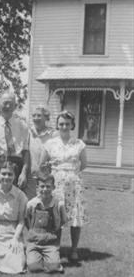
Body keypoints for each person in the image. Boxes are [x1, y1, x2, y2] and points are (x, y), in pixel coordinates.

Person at [40, 110, 87, 262]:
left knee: (75, 217)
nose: (64, 126)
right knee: (56, 217)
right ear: (57, 125)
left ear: (72, 125)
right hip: (56, 184)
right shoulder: (50, 143)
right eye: (61, 124)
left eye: (67, 124)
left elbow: (84, 164)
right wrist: (52, 171)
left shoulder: (79, 144)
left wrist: (71, 173)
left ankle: (74, 250)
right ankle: (55, 248)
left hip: (74, 184)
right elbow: (42, 165)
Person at [0, 92, 29, 189]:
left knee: (16, 199)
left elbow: (25, 151)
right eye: (5, 103)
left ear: (15, 106)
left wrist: (24, 173)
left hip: (16, 164)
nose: (7, 106)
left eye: (11, 103)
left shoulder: (22, 125)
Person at [25, 175, 67, 273]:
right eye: (42, 186)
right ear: (37, 188)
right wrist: (32, 232)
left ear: (53, 187)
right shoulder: (31, 204)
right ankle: (37, 257)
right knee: (33, 267)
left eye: (48, 186)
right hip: (34, 241)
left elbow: (63, 220)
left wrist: (55, 232)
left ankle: (51, 258)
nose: (45, 189)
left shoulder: (59, 204)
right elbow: (27, 220)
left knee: (54, 268)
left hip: (50, 242)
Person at [25, 106, 56, 199]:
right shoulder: (28, 132)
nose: (35, 118)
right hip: (31, 176)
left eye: (39, 115)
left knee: (45, 203)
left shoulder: (52, 134)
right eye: (34, 115)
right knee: (30, 203)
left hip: (46, 176)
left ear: (46, 117)